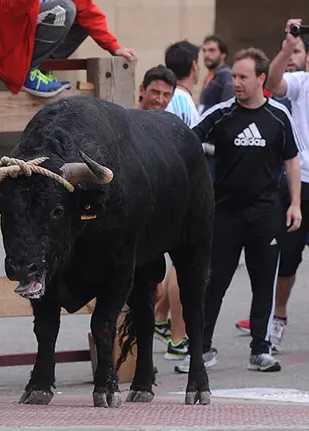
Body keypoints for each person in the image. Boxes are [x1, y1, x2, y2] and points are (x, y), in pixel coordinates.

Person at [175, 47, 304, 374]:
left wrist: (296, 205)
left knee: (264, 283)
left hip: (266, 214)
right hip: (226, 214)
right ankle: (201, 349)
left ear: (262, 78)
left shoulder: (279, 115)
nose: (236, 83)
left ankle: (260, 350)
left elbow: (291, 160)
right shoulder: (220, 114)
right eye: (234, 76)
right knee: (213, 283)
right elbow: (187, 143)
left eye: (243, 77)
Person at [236, 18, 309, 353]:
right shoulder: (301, 83)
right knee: (288, 258)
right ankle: (277, 319)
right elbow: (273, 84)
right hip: (301, 183)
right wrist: (287, 47)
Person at [152, 40, 202, 362]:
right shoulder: (181, 100)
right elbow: (196, 146)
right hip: (175, 189)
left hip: (167, 187)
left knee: (173, 262)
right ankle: (177, 336)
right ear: (194, 66)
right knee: (180, 263)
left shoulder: (175, 98)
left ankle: (159, 318)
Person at [0, 0, 137, 98]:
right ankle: (28, 73)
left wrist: (114, 47)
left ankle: (42, 69)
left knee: (79, 18)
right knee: (65, 9)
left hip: (22, 35)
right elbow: (13, 10)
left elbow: (88, 12)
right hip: (3, 42)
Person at [199, 34, 234, 113]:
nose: (206, 55)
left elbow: (228, 107)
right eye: (204, 50)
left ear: (223, 54)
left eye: (212, 50)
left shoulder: (226, 75)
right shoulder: (211, 76)